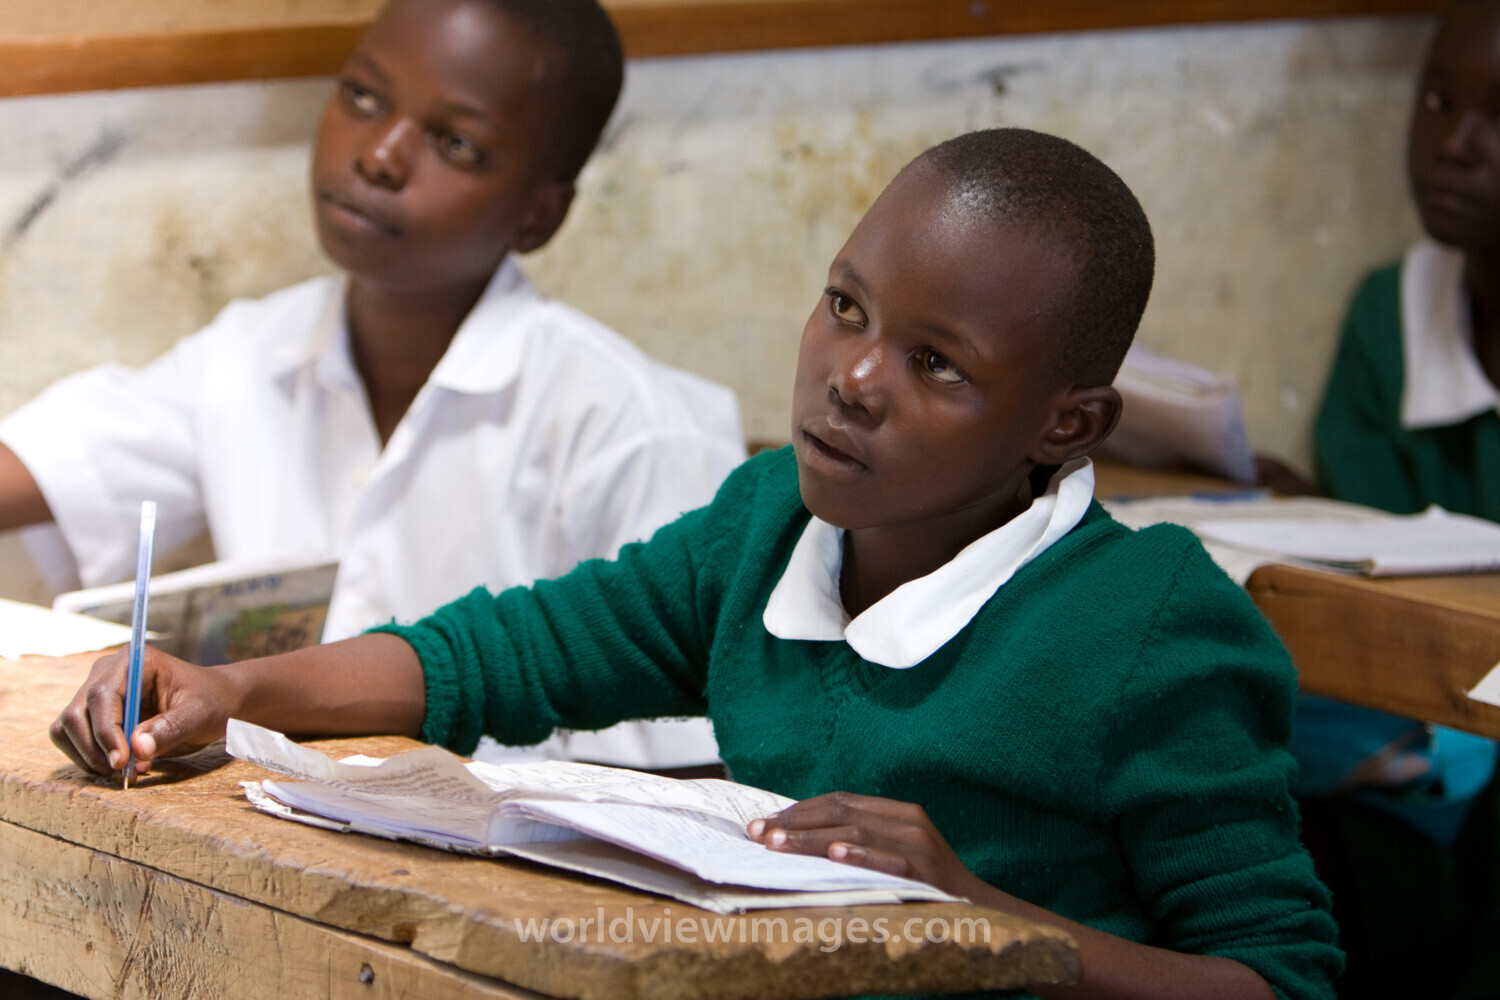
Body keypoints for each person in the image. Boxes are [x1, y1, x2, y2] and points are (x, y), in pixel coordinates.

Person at [52, 129, 1341, 1000]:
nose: (852, 378)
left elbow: (1276, 977)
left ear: (1068, 422)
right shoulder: (768, 524)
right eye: (845, 305)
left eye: (936, 363)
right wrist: (233, 689)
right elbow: (506, 653)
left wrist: (976, 915)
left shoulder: (1150, 625)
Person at [0, 0, 745, 770]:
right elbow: (53, 465)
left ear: (539, 214)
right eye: (363, 97)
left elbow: (687, 768)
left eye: (455, 143)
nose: (380, 156)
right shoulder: (254, 351)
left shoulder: (636, 427)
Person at [1295, 3, 1500, 995]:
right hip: (1411, 723)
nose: (1456, 145)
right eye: (1437, 101)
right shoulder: (1394, 313)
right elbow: (1383, 568)